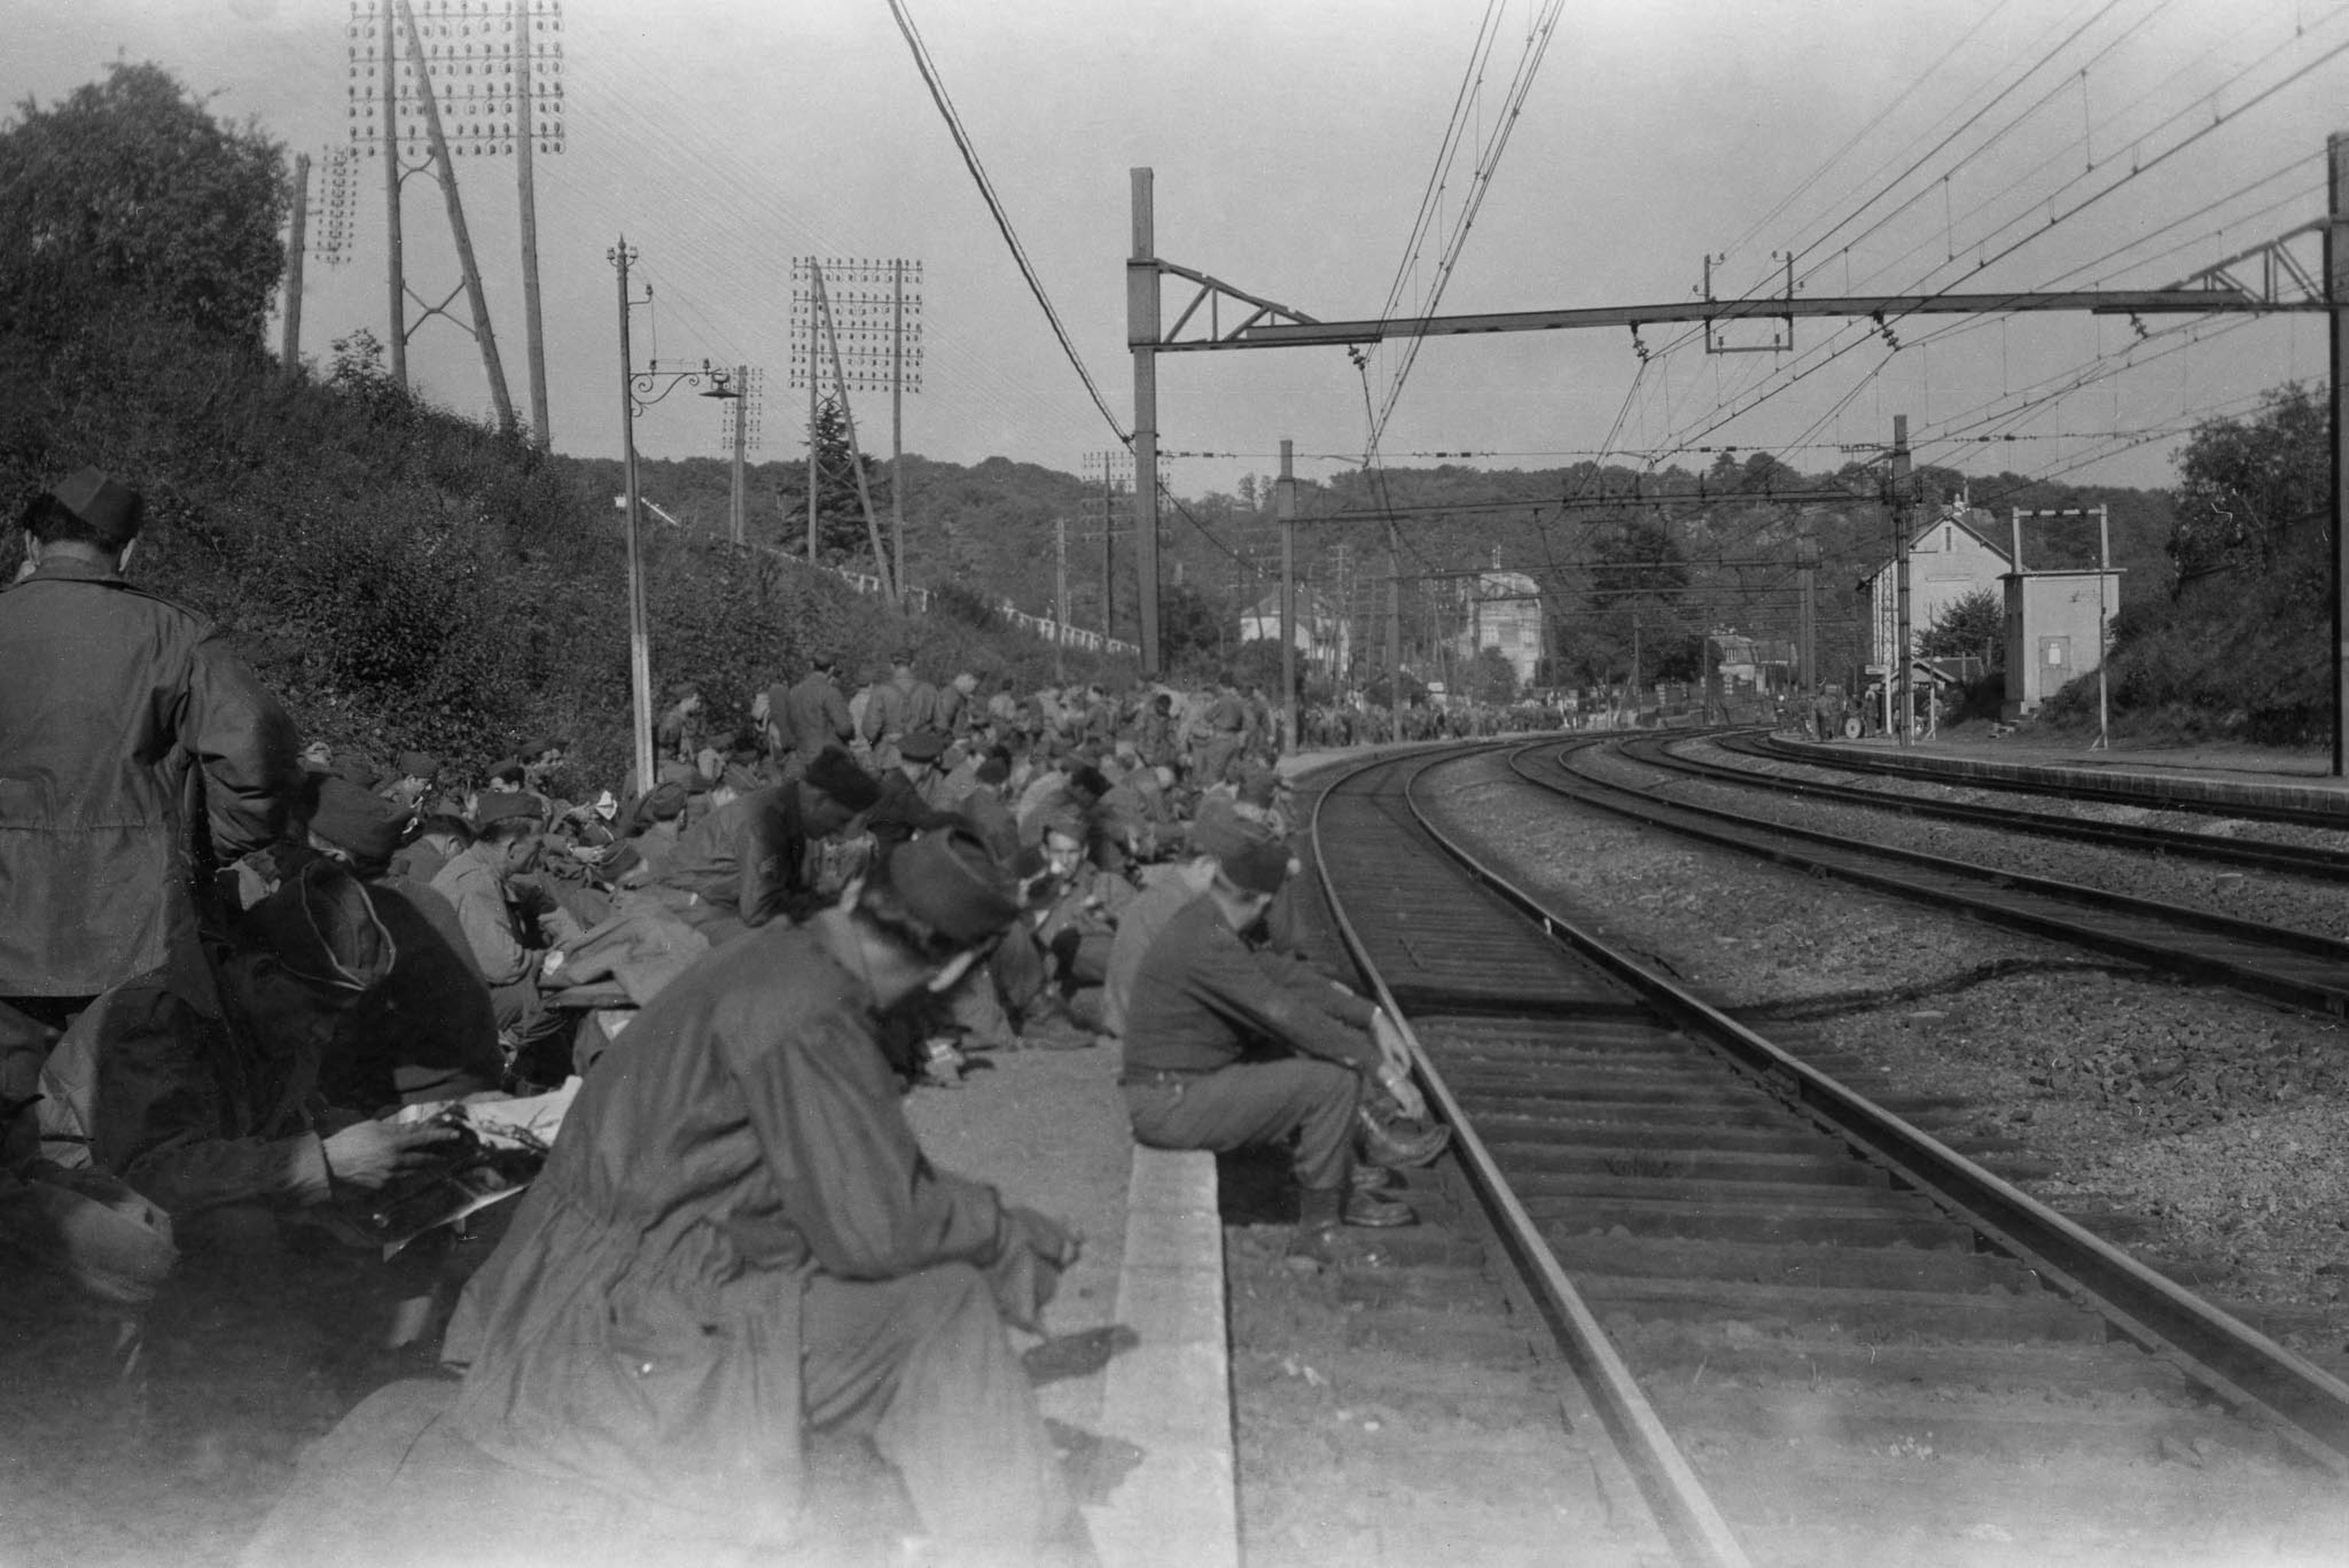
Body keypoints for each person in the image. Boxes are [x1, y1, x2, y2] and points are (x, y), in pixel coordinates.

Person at [442, 828, 1092, 1566]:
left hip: (573, 1288)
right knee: (946, 1309)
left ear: (857, 892)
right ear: (953, 969)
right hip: (620, 1321)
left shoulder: (775, 955)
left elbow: (856, 1175)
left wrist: (984, 1223)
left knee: (904, 1283)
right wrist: (1003, 1231)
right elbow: (875, 1226)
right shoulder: (812, 1007)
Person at [0, 468, 299, 1030]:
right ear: (129, 551)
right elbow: (261, 753)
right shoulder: (178, 635)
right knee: (119, 1080)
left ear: (31, 544)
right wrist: (202, 847)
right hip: (132, 932)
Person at [31, 860, 459, 1242]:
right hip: (73, 1197)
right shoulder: (157, 1019)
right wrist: (327, 1160)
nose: (326, 1032)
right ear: (262, 972)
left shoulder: (271, 1016)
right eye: (321, 1010)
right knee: (240, 1228)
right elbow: (156, 1176)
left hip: (168, 1190)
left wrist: (388, 1137)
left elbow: (293, 1116)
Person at [1112, 813, 1438, 1265]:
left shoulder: (1206, 920)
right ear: (1262, 900)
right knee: (1332, 1085)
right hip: (1171, 1102)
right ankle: (1319, 1232)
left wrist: (1372, 1015)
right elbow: (1285, 1013)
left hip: (1176, 1087)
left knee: (1299, 1056)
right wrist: (1377, 1066)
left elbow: (1281, 974)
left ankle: (1334, 1178)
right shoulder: (1210, 942)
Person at [648, 746, 882, 938]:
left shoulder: (790, 817)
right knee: (779, 950)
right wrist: (829, 907)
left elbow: (788, 892)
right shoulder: (765, 822)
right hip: (682, 907)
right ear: (819, 800)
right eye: (841, 820)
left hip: (711, 905)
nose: (839, 831)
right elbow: (759, 911)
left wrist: (831, 903)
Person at [781, 651, 855, 779]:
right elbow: (844, 729)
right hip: (829, 759)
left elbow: (790, 725)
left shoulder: (794, 692)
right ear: (831, 669)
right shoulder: (830, 692)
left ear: (812, 666)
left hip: (803, 757)